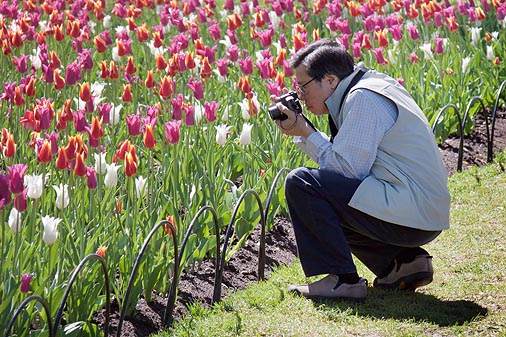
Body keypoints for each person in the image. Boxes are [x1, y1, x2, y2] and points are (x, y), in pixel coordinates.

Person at [273, 38, 451, 301]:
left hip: (412, 213)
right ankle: (403, 263)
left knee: (302, 183)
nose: (300, 95)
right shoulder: (370, 85)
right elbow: (348, 166)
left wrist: (307, 132)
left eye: (304, 86)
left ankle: (342, 281)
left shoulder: (363, 98)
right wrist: (304, 133)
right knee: (329, 192)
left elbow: (346, 170)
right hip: (420, 209)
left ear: (331, 80)